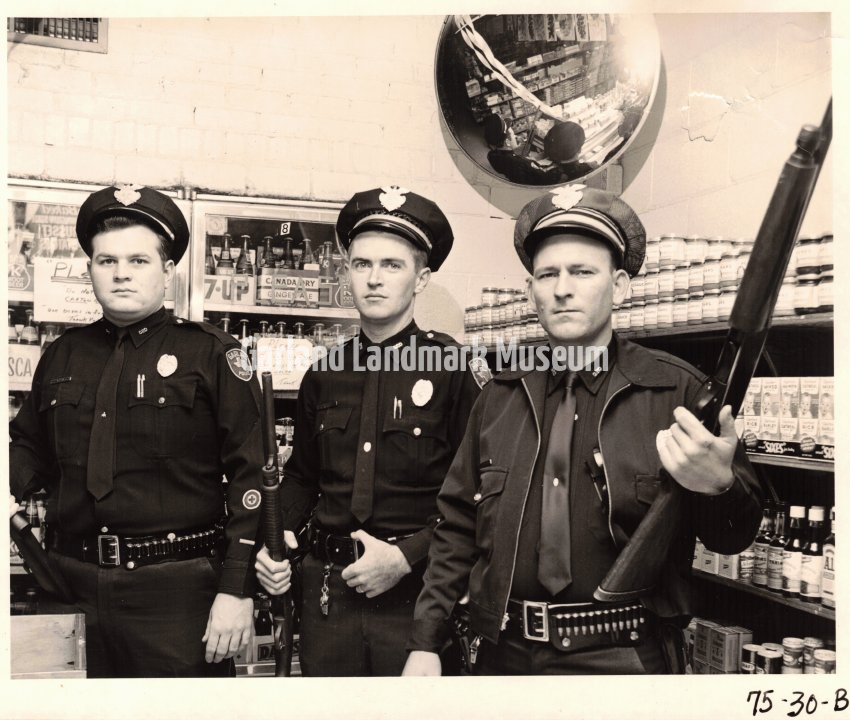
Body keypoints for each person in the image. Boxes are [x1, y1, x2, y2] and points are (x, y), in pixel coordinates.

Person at [403, 186, 763, 675]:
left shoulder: (677, 392)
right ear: (531, 291)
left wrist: (719, 486)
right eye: (547, 274)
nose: (562, 289)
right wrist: (426, 641)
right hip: (503, 653)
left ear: (620, 286)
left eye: (582, 272)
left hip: (625, 658)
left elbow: (733, 538)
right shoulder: (498, 397)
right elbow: (456, 527)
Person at [9, 185, 263, 677]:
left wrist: (236, 588)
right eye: (107, 261)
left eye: (138, 260)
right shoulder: (62, 355)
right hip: (70, 586)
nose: (121, 273)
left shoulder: (212, 354)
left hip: (177, 595)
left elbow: (252, 476)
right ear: (90, 270)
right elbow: (28, 447)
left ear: (168, 271)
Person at [254, 186, 480, 676]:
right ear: (347, 272)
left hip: (416, 598)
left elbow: (477, 497)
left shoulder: (451, 369)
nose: (374, 279)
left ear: (421, 279)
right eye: (361, 264)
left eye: (392, 265)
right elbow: (302, 476)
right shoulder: (324, 373)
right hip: (328, 596)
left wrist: (407, 556)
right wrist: (278, 536)